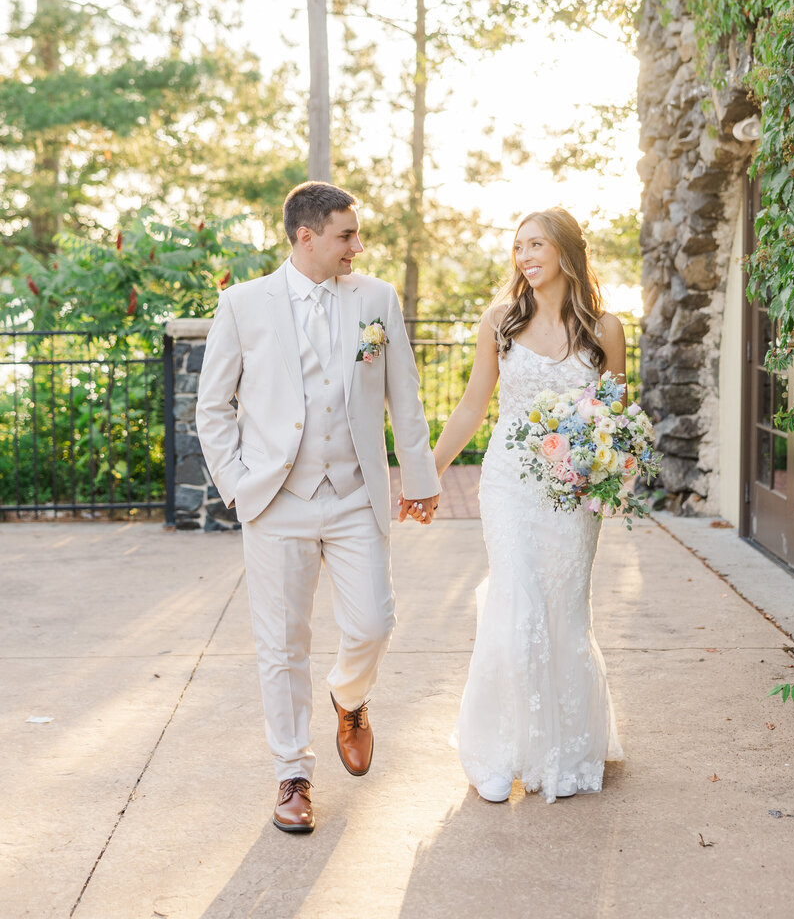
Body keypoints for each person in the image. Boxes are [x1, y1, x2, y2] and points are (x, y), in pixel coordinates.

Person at [196, 182, 439, 834]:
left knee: (374, 625)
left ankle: (350, 697)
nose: (357, 247)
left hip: (356, 495)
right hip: (276, 501)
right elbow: (213, 407)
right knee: (281, 644)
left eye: (357, 235)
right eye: (346, 235)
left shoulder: (376, 300)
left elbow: (404, 397)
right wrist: (241, 487)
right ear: (307, 238)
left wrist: (419, 479)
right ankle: (292, 776)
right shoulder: (243, 305)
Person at [429, 207, 625, 804]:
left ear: (565, 252)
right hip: (510, 483)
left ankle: (562, 750)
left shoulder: (606, 329)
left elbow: (614, 417)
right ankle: (495, 752)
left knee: (563, 612)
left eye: (535, 244)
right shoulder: (500, 321)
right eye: (518, 247)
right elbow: (470, 408)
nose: (524, 257)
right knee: (517, 605)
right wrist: (424, 474)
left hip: (573, 492)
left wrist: (603, 472)